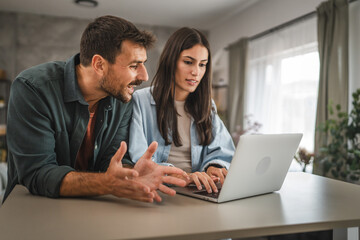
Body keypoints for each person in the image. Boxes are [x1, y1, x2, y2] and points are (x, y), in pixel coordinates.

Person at [3, 15, 189, 203]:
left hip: (92, 208)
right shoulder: (33, 88)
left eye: (143, 64)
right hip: (31, 210)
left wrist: (132, 173)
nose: (145, 76)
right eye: (134, 65)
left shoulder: (122, 100)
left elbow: (111, 162)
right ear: (99, 64)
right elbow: (37, 174)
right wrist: (108, 183)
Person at [129, 27, 235, 194]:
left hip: (197, 192)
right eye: (188, 62)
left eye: (202, 65)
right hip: (160, 191)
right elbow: (138, 158)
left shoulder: (208, 106)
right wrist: (184, 176)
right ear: (171, 61)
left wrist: (214, 167)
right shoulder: (139, 101)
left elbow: (223, 150)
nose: (196, 72)